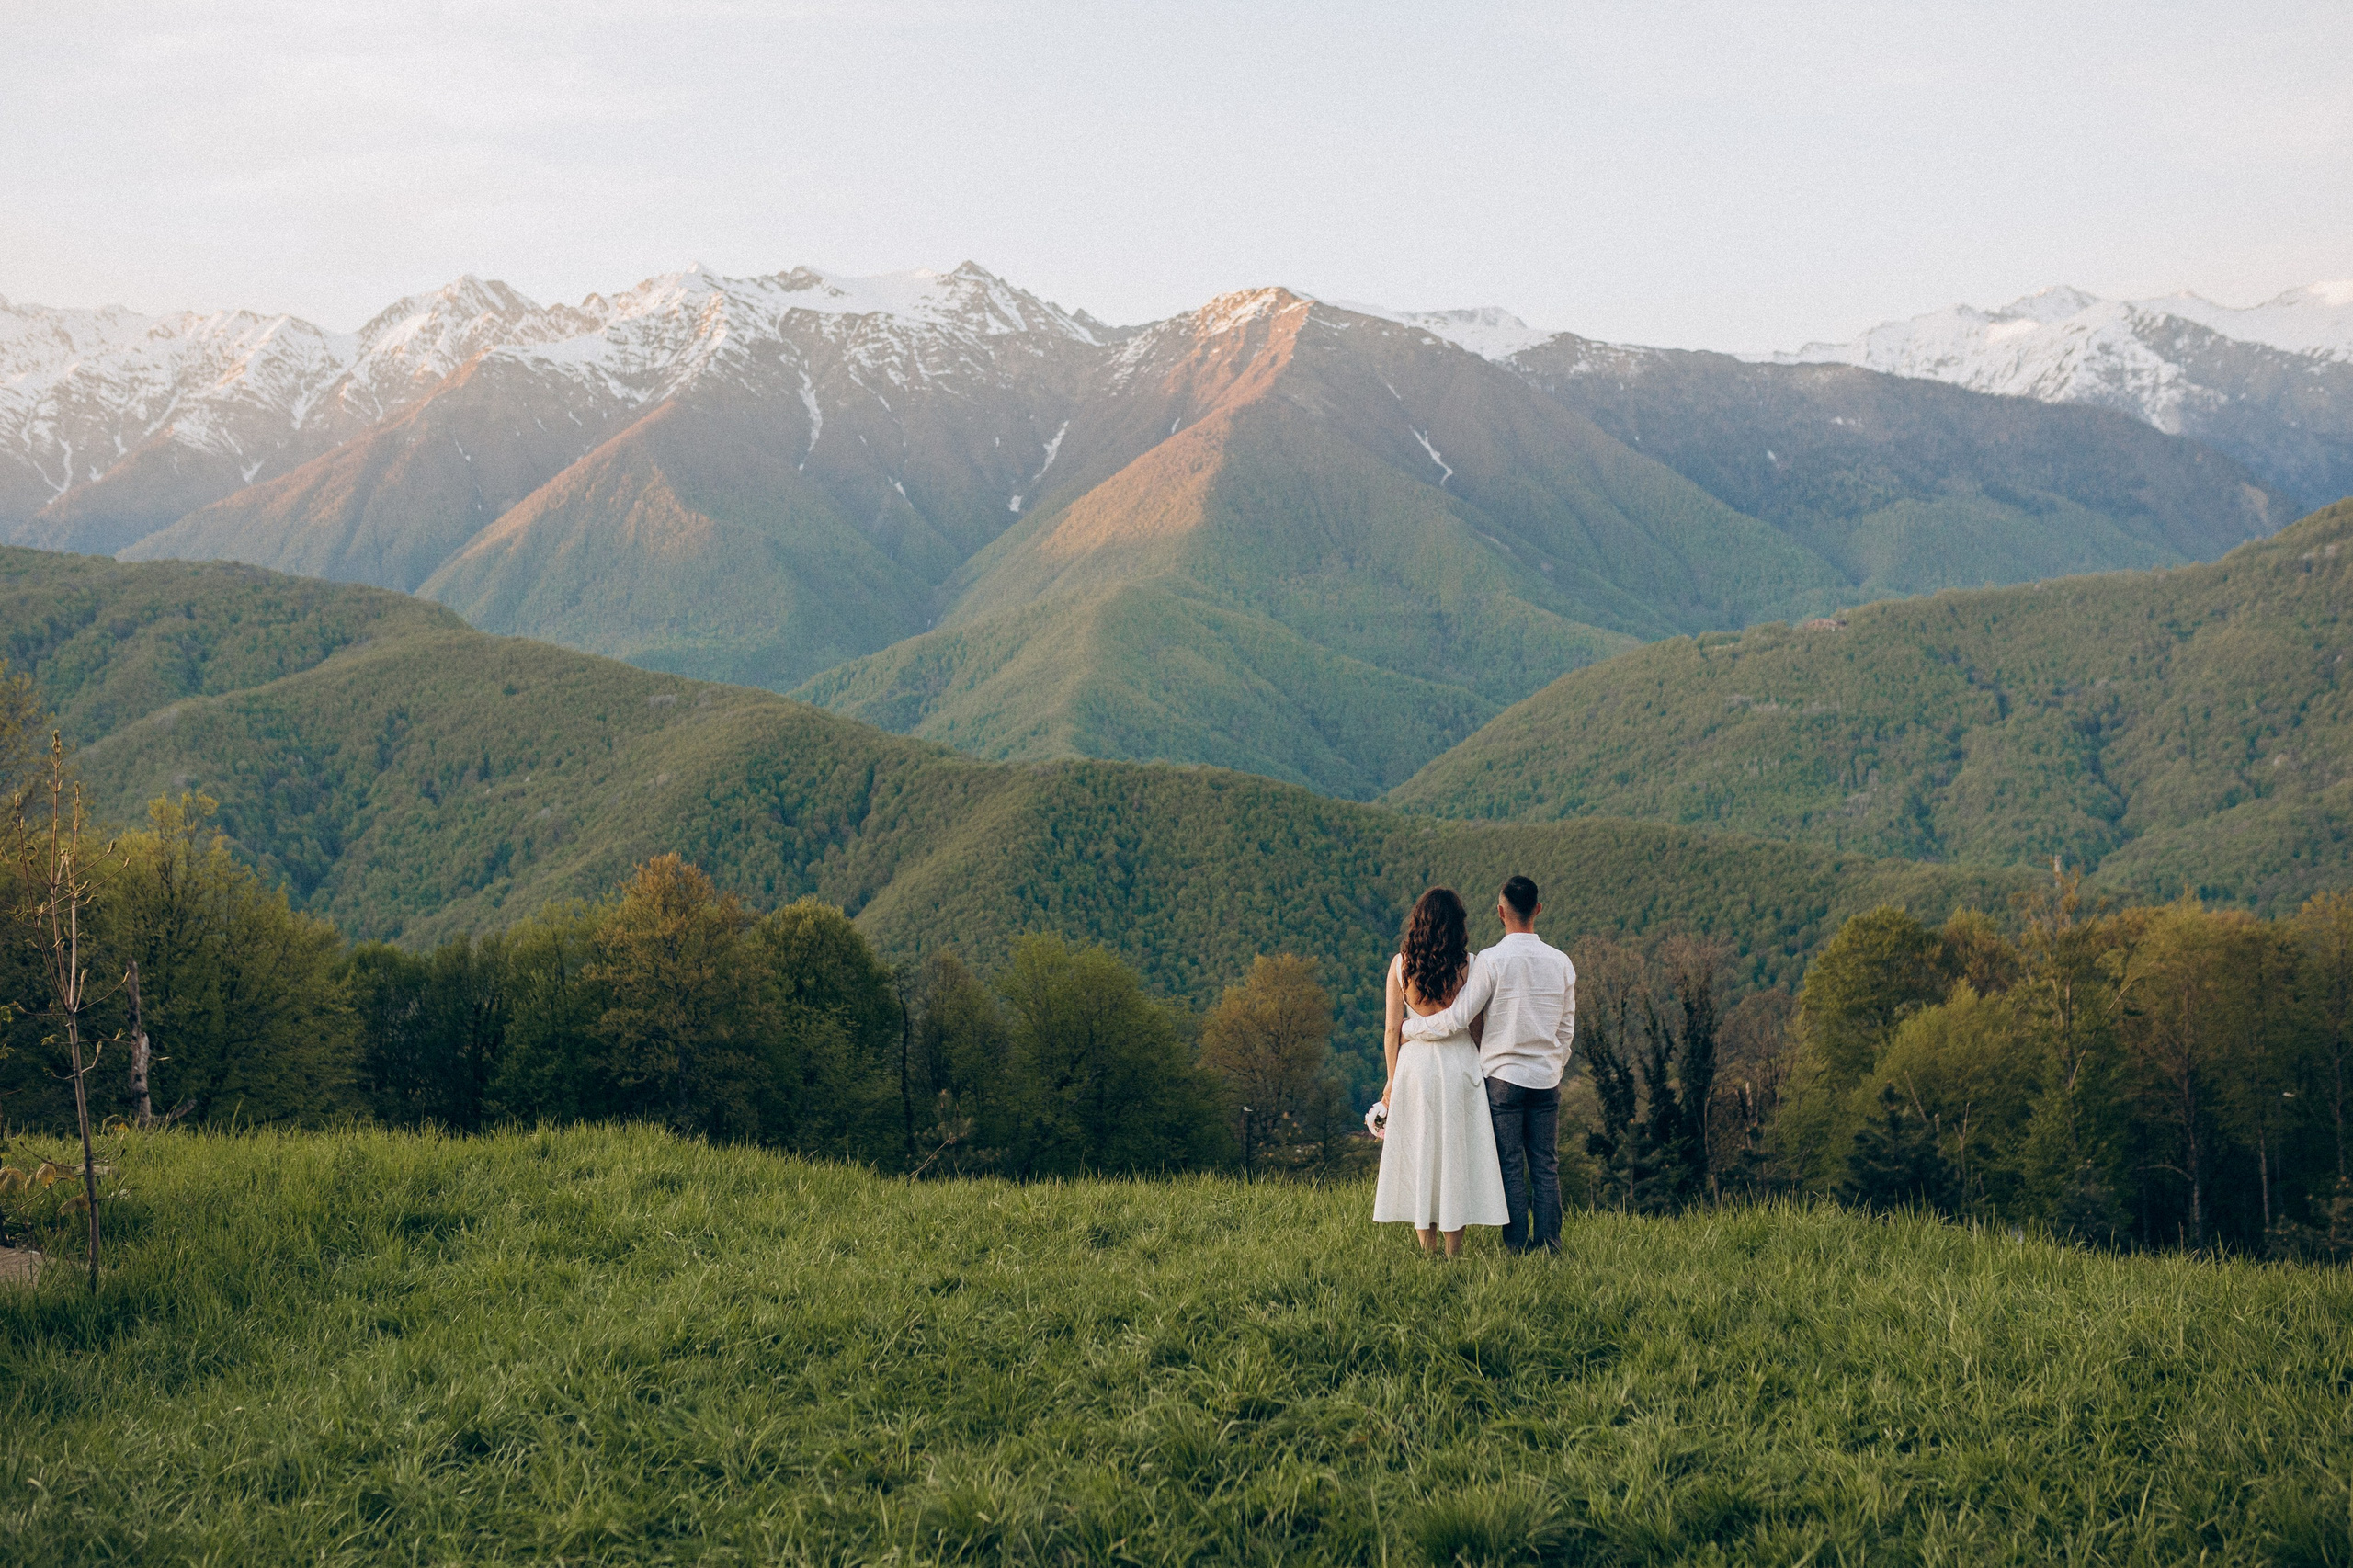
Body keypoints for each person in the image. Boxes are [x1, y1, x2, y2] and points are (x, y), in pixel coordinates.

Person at [1398, 876, 1574, 1255]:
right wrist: (1555, 1066)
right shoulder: (1561, 962)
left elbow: (1458, 1018)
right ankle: (1549, 1247)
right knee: (1546, 1166)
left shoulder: (1491, 960)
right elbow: (1566, 1028)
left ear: (1500, 912)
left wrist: (1409, 1028)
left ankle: (1515, 1247)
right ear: (1538, 910)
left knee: (1510, 1165)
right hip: (1546, 1078)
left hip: (1503, 1079)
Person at [1370, 888, 1509, 1256]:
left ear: (1418, 921)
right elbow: (1476, 1027)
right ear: (1457, 924)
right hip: (1459, 1064)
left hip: (1415, 1068)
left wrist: (1391, 1080)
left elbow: (1392, 1029)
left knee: (1422, 1153)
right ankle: (1453, 1251)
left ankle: (1427, 1248)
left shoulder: (1400, 966)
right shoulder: (1470, 966)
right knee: (1454, 1155)